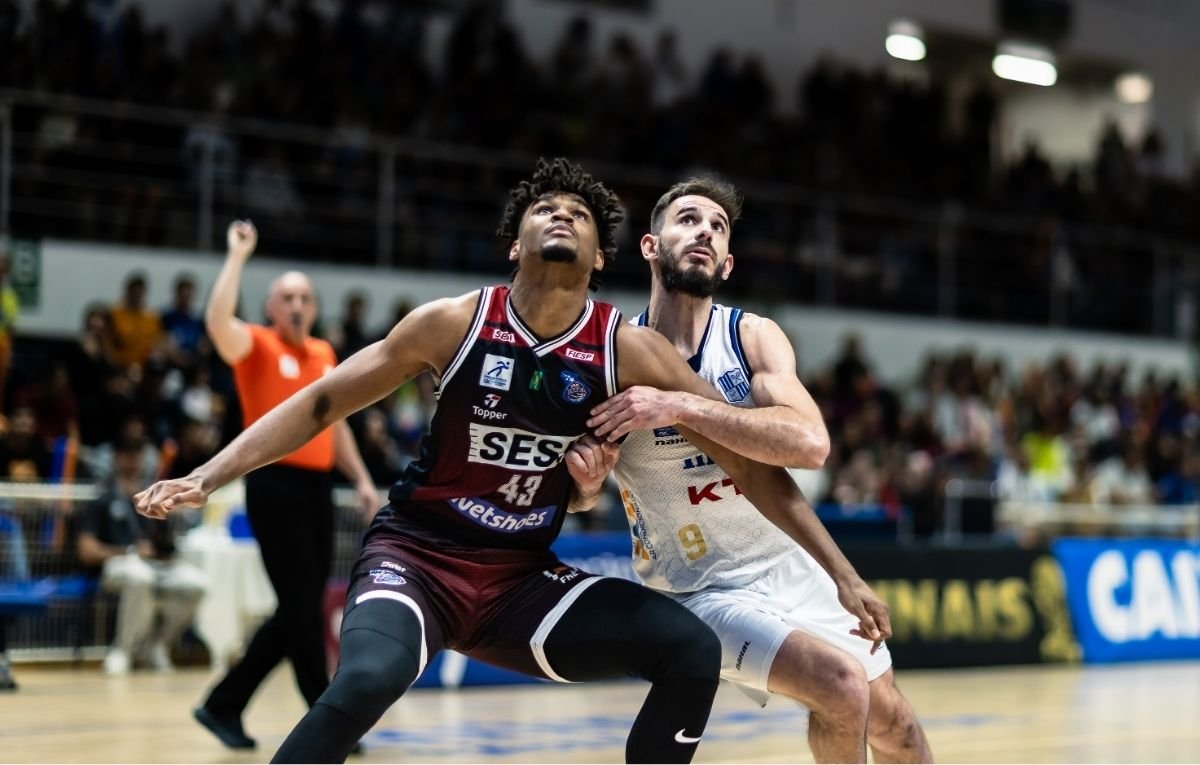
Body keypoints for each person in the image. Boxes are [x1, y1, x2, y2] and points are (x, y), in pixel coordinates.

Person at [135, 158, 890, 764]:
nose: (561, 213)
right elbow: (322, 404)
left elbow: (751, 462)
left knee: (689, 650)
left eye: (581, 214)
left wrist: (843, 572)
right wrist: (208, 474)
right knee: (367, 677)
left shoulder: (630, 350)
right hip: (419, 558)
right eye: (544, 208)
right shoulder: (453, 321)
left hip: (518, 580)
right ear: (513, 242)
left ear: (601, 258)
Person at [585, 176, 932, 764]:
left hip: (787, 562)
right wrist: (589, 479)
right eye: (689, 219)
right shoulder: (614, 352)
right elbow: (575, 500)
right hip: (696, 586)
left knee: (896, 725)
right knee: (841, 688)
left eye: (718, 228)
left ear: (726, 264)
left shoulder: (750, 338)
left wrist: (681, 405)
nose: (705, 233)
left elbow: (810, 444)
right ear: (650, 245)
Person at [191, 220, 378, 750]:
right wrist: (236, 256)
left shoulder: (322, 354)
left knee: (299, 608)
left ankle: (222, 704)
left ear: (314, 309)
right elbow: (217, 321)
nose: (296, 304)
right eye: (286, 297)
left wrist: (361, 478)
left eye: (304, 297)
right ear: (272, 308)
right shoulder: (257, 344)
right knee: (300, 607)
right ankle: (333, 719)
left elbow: (335, 423)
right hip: (273, 487)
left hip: (317, 491)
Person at [77, 436, 206, 675]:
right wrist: (129, 551)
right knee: (139, 577)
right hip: (116, 564)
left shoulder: (152, 496)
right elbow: (87, 551)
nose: (133, 461)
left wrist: (167, 541)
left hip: (155, 565)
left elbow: (162, 542)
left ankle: (157, 646)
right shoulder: (102, 499)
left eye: (137, 455)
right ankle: (123, 650)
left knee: (195, 583)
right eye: (127, 454)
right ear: (116, 458)